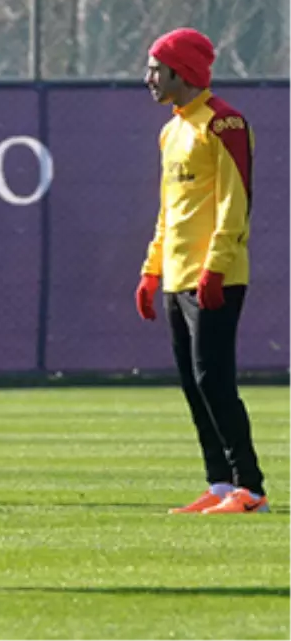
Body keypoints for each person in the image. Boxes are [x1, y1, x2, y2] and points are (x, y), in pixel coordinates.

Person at [137, 27, 268, 515]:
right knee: (194, 384)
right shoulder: (171, 130)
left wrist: (215, 266)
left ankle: (250, 488)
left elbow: (236, 203)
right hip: (176, 276)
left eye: (155, 68)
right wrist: (152, 271)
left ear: (181, 72)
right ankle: (218, 484)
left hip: (216, 277)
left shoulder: (225, 125)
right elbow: (168, 211)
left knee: (215, 380)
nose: (148, 77)